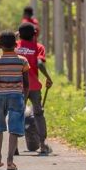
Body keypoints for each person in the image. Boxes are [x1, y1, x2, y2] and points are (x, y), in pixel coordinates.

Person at [0, 30, 30, 170]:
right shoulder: (23, 61)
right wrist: (25, 98)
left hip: (1, 96)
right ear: (16, 44)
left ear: (0, 45)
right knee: (14, 128)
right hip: (17, 97)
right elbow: (27, 84)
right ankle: (10, 162)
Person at [16, 21, 54, 155]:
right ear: (34, 35)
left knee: (17, 113)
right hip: (33, 86)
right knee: (38, 114)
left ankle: (14, 146)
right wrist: (48, 77)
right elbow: (39, 63)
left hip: (18, 86)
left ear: (19, 35)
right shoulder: (38, 47)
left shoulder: (15, 46)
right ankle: (42, 145)